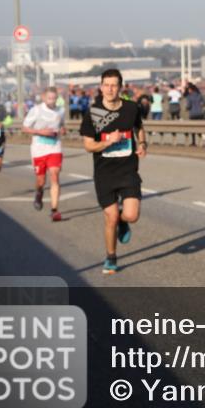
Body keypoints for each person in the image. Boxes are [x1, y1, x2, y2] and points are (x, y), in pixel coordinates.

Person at [80, 69, 147, 275]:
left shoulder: (130, 108)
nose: (110, 89)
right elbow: (89, 146)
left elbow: (139, 128)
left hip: (127, 169)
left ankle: (124, 222)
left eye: (114, 85)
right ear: (101, 87)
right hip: (105, 173)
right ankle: (111, 258)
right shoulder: (94, 113)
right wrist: (108, 141)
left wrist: (143, 143)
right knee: (110, 217)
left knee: (132, 215)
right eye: (106, 85)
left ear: (120, 87)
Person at [22, 86, 66, 221]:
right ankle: (39, 192)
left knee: (55, 174)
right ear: (43, 97)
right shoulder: (36, 110)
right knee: (41, 181)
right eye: (49, 98)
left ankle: (54, 210)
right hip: (38, 149)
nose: (52, 101)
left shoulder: (61, 111)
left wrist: (62, 130)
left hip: (54, 148)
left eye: (54, 98)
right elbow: (24, 128)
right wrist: (41, 132)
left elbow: (62, 126)